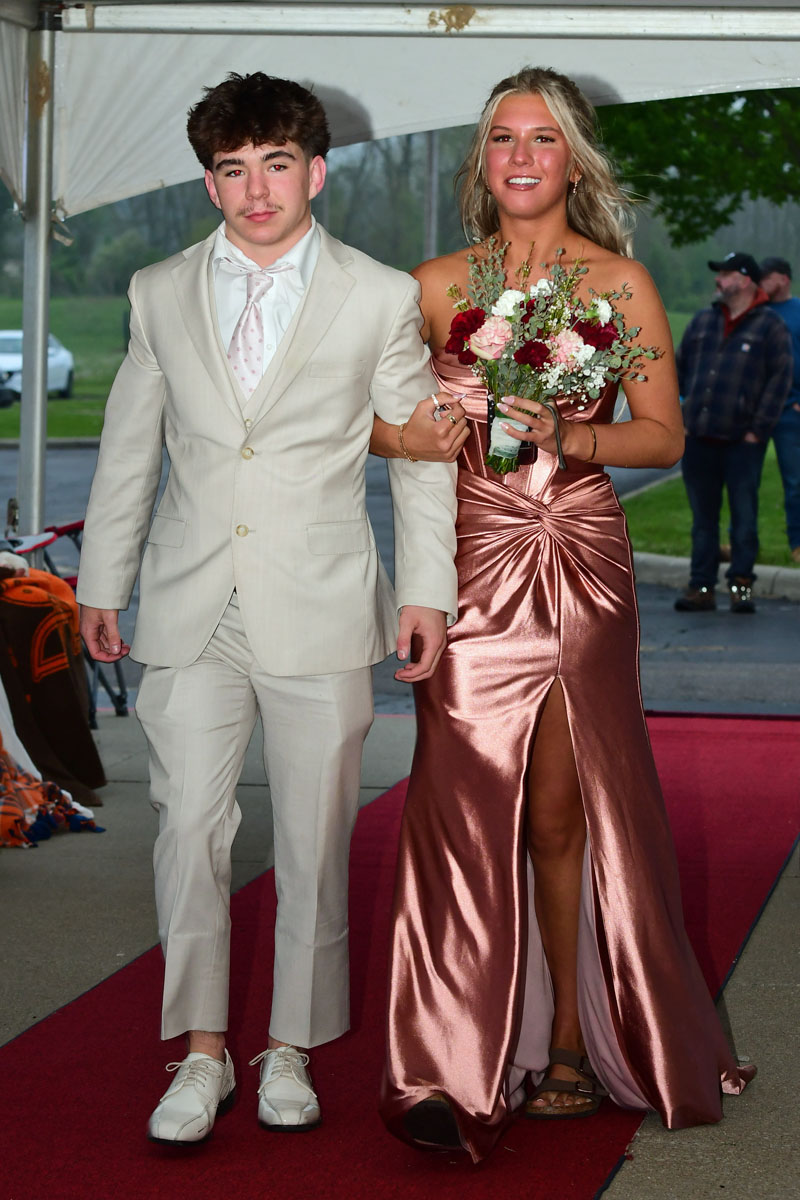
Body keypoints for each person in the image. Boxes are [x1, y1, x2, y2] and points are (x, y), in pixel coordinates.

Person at [370, 66, 756, 1163]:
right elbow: (373, 426)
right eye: (502, 138)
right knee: (455, 809)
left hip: (577, 554)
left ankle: (578, 1039)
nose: (522, 156)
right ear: (479, 161)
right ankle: (453, 1053)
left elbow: (664, 438)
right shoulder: (432, 285)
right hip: (469, 560)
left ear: (572, 157)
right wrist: (417, 435)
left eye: (543, 137)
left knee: (559, 808)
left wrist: (567, 435)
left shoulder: (618, 284)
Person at [76, 72, 459, 1146]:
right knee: (186, 831)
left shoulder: (379, 294)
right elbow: (127, 451)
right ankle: (199, 1053)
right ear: (209, 181)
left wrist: (426, 590)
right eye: (233, 169)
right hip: (190, 608)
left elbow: (421, 459)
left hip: (323, 604)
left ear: (315, 171)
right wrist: (101, 582)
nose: (255, 189)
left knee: (310, 838)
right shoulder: (157, 290)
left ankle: (288, 1046)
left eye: (275, 164)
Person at [674, 252, 792, 613]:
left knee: (744, 516)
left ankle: (742, 588)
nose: (718, 280)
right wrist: (679, 417)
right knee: (703, 520)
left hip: (743, 442)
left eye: (725, 274)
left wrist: (758, 430)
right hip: (699, 438)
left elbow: (781, 380)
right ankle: (702, 587)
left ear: (745, 280)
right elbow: (679, 371)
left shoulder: (769, 326)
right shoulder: (703, 321)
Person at [759, 256, 800, 564]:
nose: (761, 283)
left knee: (795, 482)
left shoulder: (797, 312)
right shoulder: (756, 312)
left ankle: (797, 544)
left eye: (767, 278)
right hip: (756, 412)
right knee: (744, 483)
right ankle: (743, 545)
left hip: (790, 412)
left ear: (783, 278)